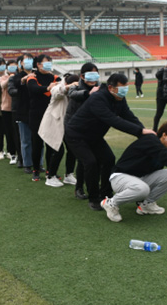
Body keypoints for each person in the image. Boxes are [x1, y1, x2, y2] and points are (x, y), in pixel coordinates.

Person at [64, 73, 156, 211]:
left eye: (126, 87)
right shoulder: (98, 98)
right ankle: (94, 198)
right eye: (122, 87)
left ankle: (106, 193)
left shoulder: (119, 98)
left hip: (94, 136)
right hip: (76, 135)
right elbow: (113, 120)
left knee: (109, 159)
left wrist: (143, 132)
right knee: (90, 162)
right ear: (111, 88)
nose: (125, 90)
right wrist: (139, 131)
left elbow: (128, 116)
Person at [101, 122, 167, 222]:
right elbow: (165, 154)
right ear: (164, 135)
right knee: (142, 188)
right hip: (120, 178)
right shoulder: (150, 140)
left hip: (138, 178)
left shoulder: (160, 148)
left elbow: (165, 156)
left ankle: (146, 205)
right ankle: (111, 203)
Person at [39, 73, 80, 187]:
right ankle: (50, 176)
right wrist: (68, 86)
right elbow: (56, 92)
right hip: (53, 124)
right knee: (58, 150)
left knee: (72, 149)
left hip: (67, 124)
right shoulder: (58, 86)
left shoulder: (76, 90)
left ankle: (69, 175)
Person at [66, 63, 100, 199]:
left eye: (95, 74)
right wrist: (88, 93)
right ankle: (79, 188)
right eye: (90, 75)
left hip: (91, 129)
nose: (93, 78)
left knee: (96, 159)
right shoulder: (76, 87)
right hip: (75, 131)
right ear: (82, 76)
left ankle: (95, 187)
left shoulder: (99, 87)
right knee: (84, 160)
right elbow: (72, 94)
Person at [26, 54, 61, 182]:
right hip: (36, 115)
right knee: (37, 144)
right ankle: (35, 170)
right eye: (46, 62)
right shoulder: (32, 77)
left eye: (50, 62)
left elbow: (62, 86)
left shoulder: (55, 77)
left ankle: (50, 171)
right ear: (38, 64)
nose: (48, 65)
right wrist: (47, 88)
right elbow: (33, 89)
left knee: (51, 144)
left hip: (51, 114)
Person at [7, 54, 35, 173]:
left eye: (30, 60)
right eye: (25, 60)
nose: (28, 62)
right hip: (20, 110)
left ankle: (37, 162)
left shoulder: (36, 75)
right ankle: (24, 161)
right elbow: (12, 90)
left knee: (36, 139)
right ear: (21, 64)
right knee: (23, 138)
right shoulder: (16, 77)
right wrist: (22, 88)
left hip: (35, 110)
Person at [0, 60, 18, 164]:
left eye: (14, 67)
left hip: (17, 109)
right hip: (6, 109)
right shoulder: (4, 78)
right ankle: (12, 154)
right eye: (10, 67)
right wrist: (10, 78)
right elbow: (2, 85)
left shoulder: (20, 77)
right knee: (9, 132)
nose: (13, 69)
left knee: (17, 133)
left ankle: (19, 153)